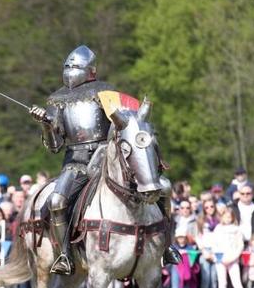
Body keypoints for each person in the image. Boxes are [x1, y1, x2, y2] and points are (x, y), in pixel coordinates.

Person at [29, 45, 178, 274]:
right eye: (68, 66)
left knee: (164, 187)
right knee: (57, 201)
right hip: (76, 162)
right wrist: (46, 125)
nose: (70, 70)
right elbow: (55, 146)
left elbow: (127, 125)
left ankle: (167, 246)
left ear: (91, 71)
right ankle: (65, 256)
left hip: (107, 158)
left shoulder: (106, 95)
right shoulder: (57, 101)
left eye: (76, 66)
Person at [213, 208, 251, 288]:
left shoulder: (237, 230)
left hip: (233, 259)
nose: (227, 219)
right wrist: (220, 257)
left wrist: (233, 257)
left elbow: (240, 245)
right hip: (220, 259)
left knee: (236, 282)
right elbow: (214, 244)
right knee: (222, 282)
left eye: (229, 217)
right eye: (225, 216)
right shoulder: (218, 229)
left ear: (233, 218)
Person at [196, 199, 219, 288]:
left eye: (211, 206)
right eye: (207, 207)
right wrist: (204, 251)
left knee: (214, 279)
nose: (209, 209)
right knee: (205, 279)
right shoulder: (201, 221)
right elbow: (198, 238)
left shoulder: (219, 220)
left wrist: (216, 253)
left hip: (216, 252)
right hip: (205, 251)